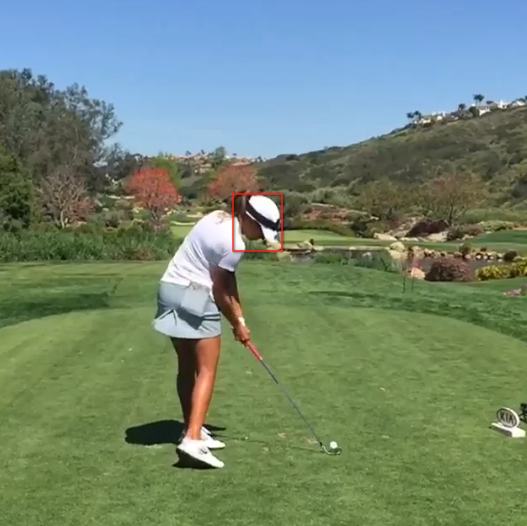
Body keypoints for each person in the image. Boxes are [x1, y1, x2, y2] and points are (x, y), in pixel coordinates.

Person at [153, 193, 281, 468]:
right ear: (249, 219)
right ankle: (192, 440)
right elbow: (221, 291)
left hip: (169, 289)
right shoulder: (235, 244)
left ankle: (191, 428)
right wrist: (237, 325)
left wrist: (240, 320)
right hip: (194, 294)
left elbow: (227, 281)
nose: (261, 237)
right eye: (261, 230)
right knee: (207, 369)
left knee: (187, 366)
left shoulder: (217, 217)